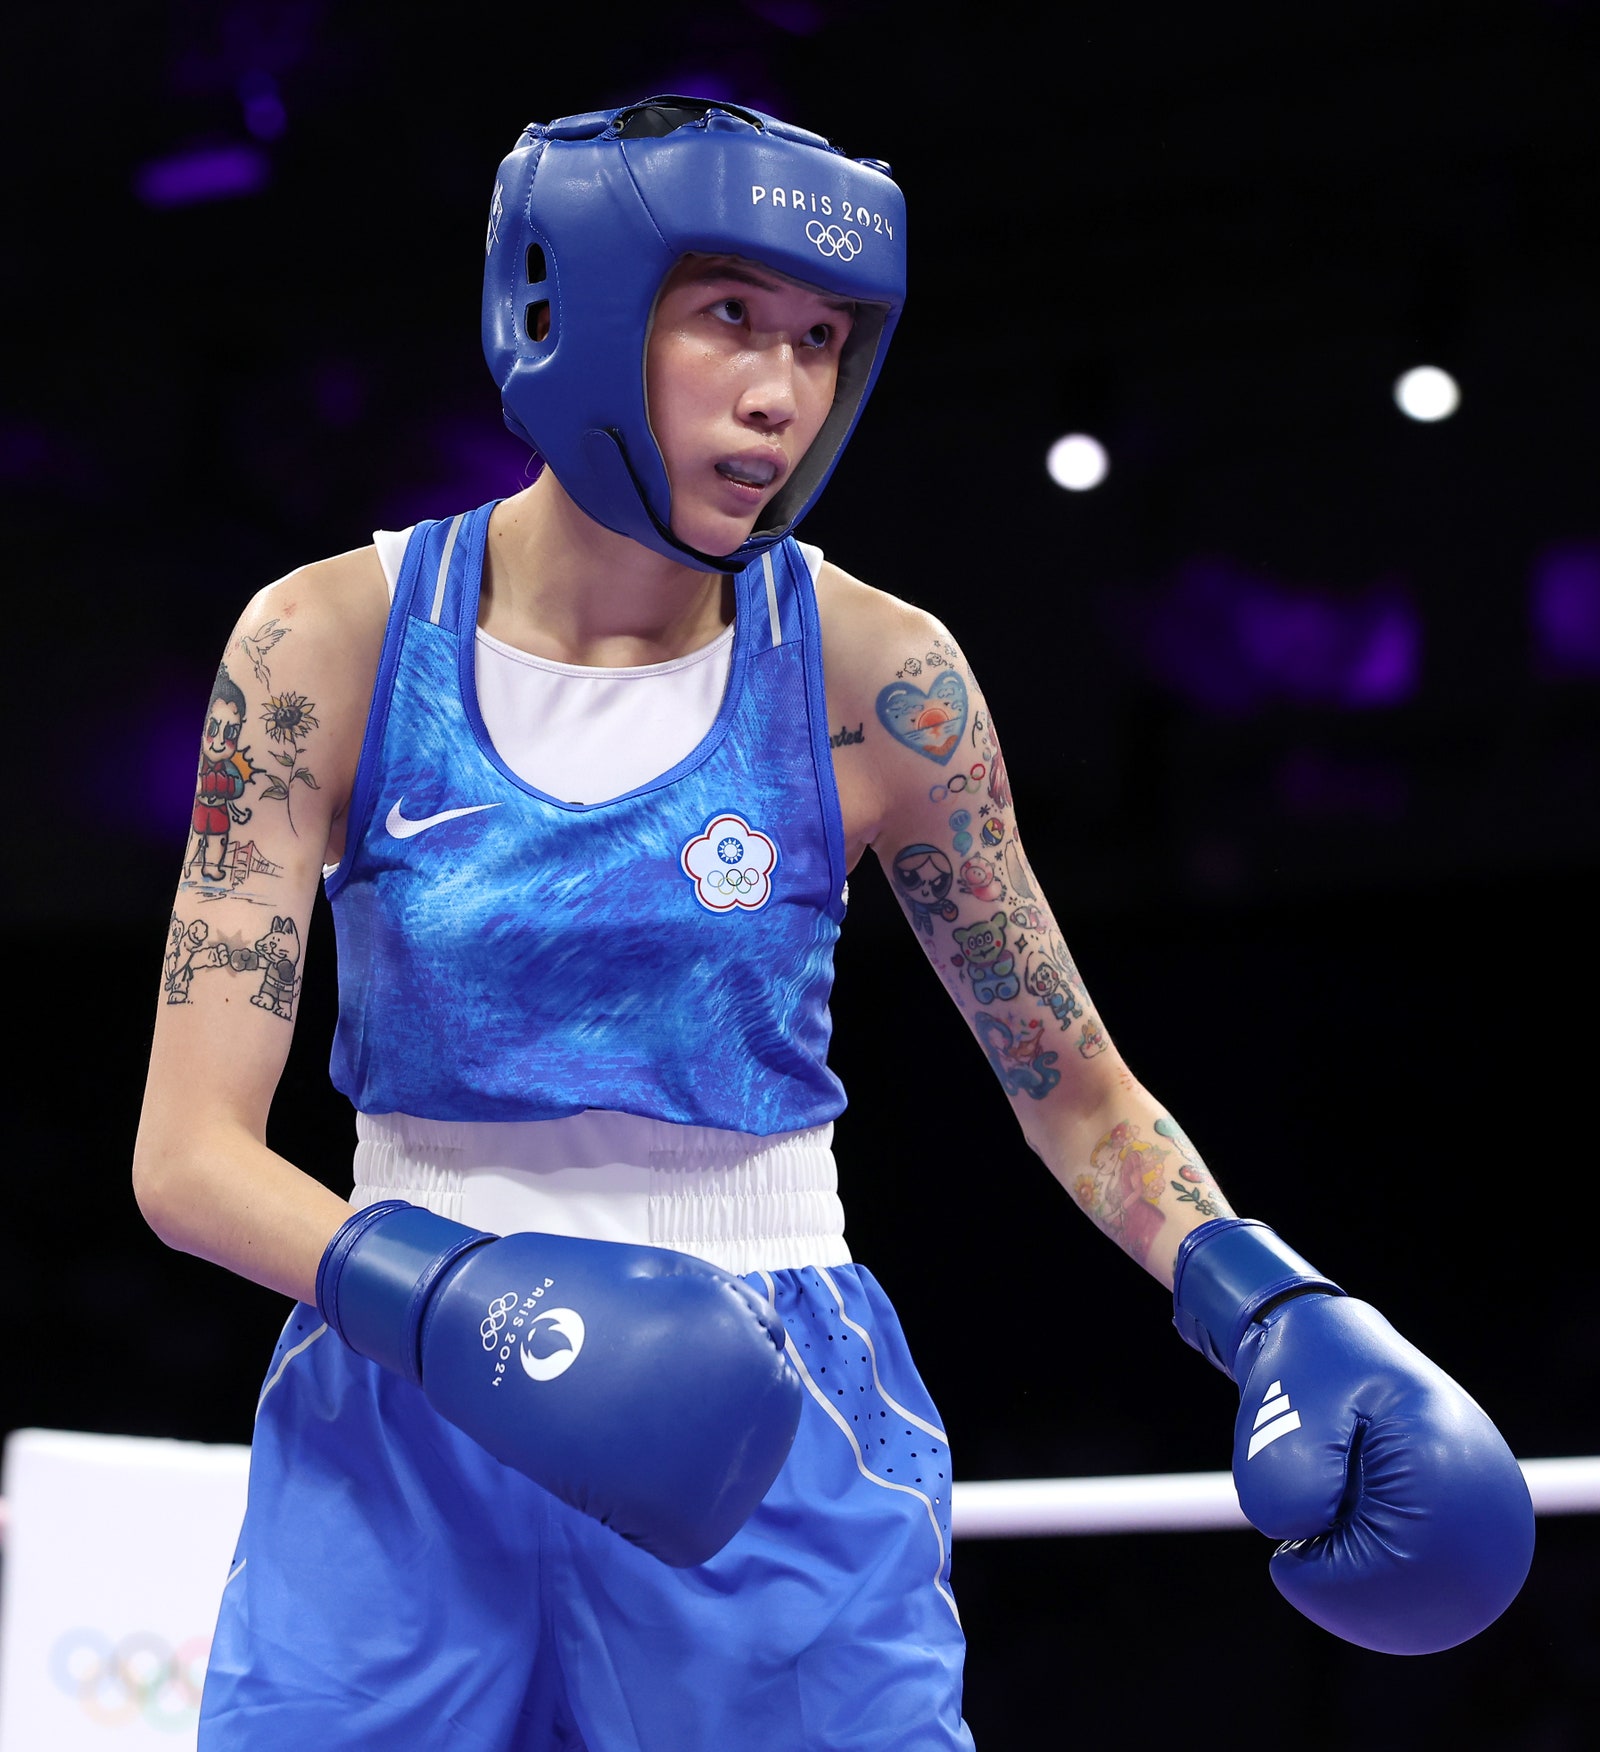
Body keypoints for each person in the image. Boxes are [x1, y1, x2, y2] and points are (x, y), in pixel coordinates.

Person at [134, 96, 1534, 1750]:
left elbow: (1072, 1087)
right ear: (565, 307)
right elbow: (186, 1157)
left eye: (821, 339)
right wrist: (466, 1304)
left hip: (768, 1388)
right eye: (730, 316)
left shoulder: (880, 677)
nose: (781, 393)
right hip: (398, 1375)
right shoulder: (332, 642)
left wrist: (1271, 1302)